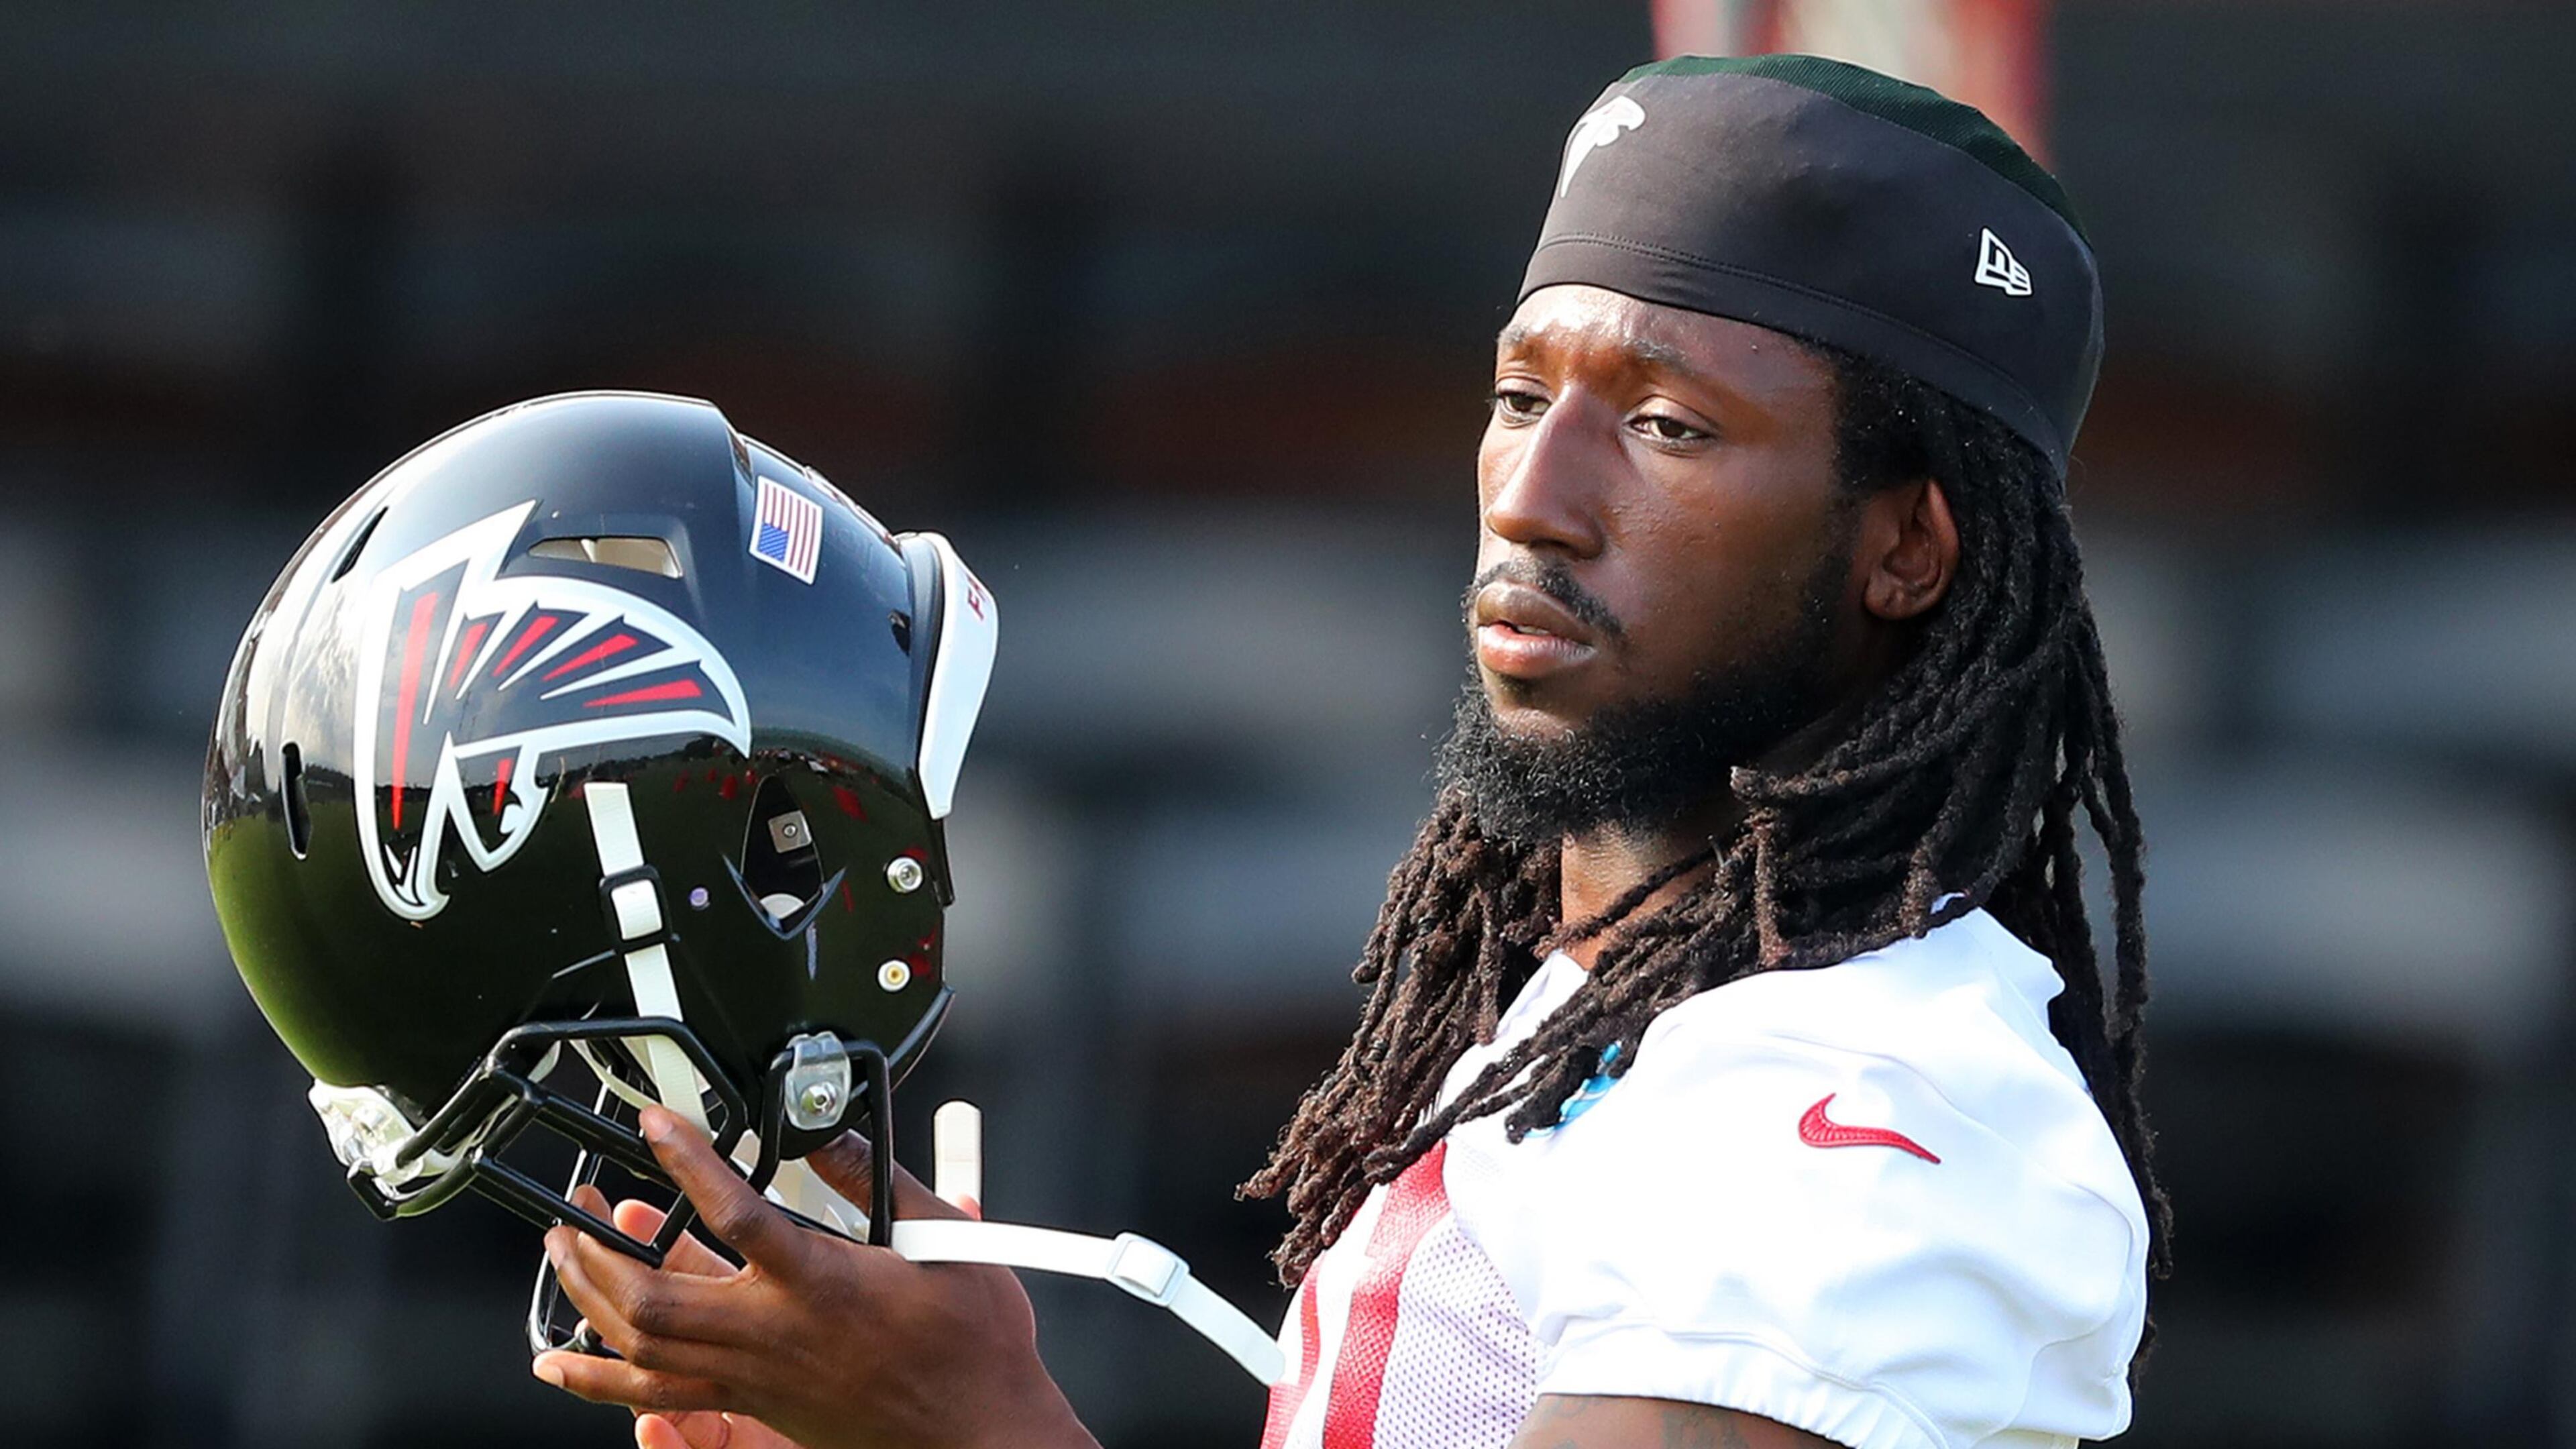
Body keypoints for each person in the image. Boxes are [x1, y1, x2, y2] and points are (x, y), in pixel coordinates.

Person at [533, 53, 2165, 1449]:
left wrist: (971, 1421)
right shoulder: (1594, 1027)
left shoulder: (1873, 1111)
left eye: (1668, 425)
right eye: (1523, 397)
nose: (1536, 494)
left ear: (1910, 551)